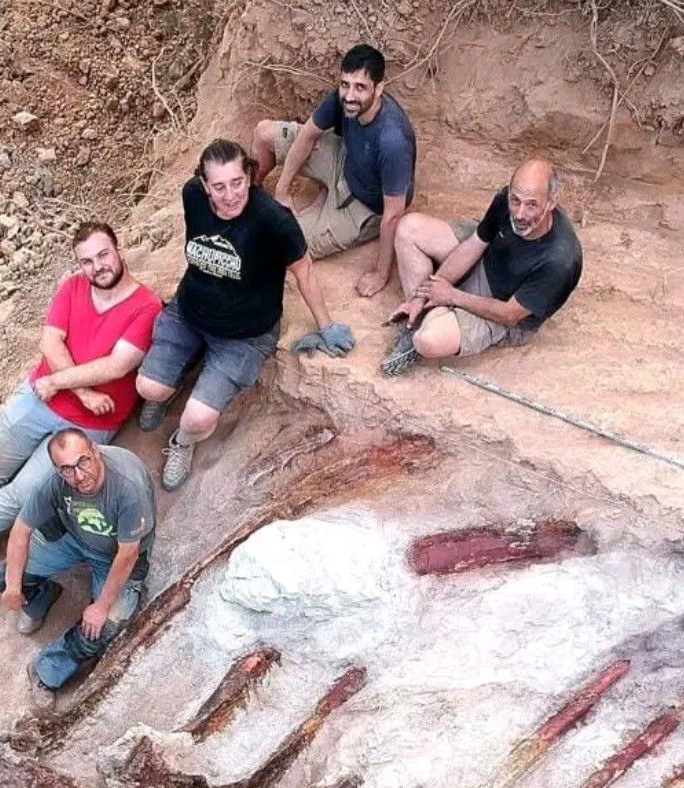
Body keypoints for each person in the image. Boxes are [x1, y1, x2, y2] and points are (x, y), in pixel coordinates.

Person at [0, 221, 161, 569]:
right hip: (42, 395)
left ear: (118, 250)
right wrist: (81, 391)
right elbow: (49, 341)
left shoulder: (145, 305)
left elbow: (118, 365)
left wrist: (61, 383)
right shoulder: (73, 286)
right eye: (87, 261)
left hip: (86, 422)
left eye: (103, 255)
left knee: (24, 492)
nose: (97, 266)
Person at [135, 138, 355, 492]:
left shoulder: (273, 221)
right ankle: (174, 382)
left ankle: (183, 442)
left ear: (250, 176)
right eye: (219, 186)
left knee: (198, 418)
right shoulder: (192, 195)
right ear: (204, 185)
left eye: (237, 183)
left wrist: (326, 326)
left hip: (244, 335)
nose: (230, 195)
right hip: (190, 311)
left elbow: (305, 271)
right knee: (148, 388)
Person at [0, 427, 155, 708]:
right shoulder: (57, 483)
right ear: (57, 470)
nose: (79, 477)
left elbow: (127, 554)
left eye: (83, 462)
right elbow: (21, 530)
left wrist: (102, 606)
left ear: (95, 450)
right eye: (67, 470)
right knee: (6, 575)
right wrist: (12, 587)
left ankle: (45, 671)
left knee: (103, 627)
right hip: (74, 538)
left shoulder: (126, 487)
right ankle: (41, 599)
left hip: (116, 554)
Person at [381, 158, 582, 377]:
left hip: (503, 309)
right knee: (409, 228)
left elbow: (509, 314)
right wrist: (424, 295)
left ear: (552, 202)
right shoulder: (506, 199)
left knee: (427, 340)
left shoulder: (559, 260)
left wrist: (452, 296)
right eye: (515, 201)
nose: (520, 214)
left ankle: (424, 324)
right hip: (487, 262)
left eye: (531, 204)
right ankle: (421, 310)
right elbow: (476, 243)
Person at [252, 43, 416, 298]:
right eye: (345, 84)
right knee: (264, 132)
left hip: (364, 204)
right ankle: (255, 188)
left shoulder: (393, 141)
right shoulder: (345, 100)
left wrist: (381, 275)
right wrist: (282, 192)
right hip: (345, 158)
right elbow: (307, 135)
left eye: (360, 87)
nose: (350, 95)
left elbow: (393, 214)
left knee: (275, 241)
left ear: (379, 88)